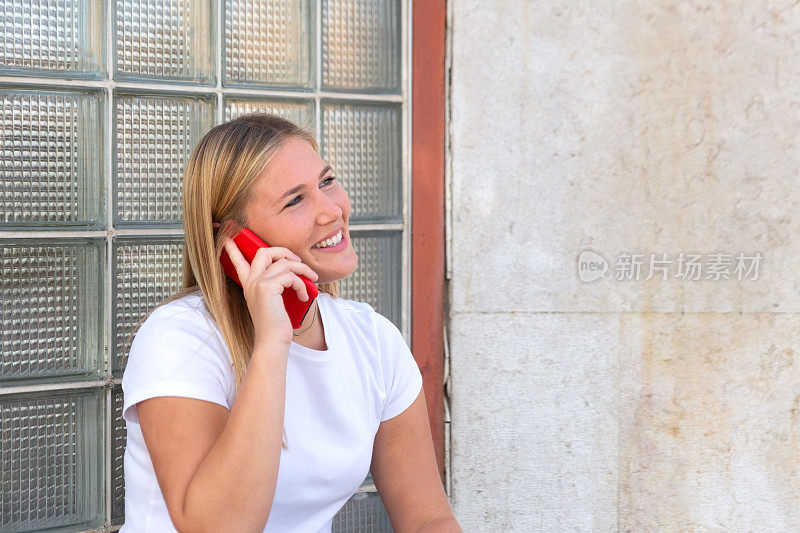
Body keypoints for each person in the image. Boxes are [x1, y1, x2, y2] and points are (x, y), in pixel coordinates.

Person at [120, 113, 461, 532]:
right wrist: (272, 343)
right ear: (234, 240)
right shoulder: (179, 339)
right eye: (295, 200)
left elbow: (427, 519)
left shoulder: (374, 340)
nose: (331, 210)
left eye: (327, 181)